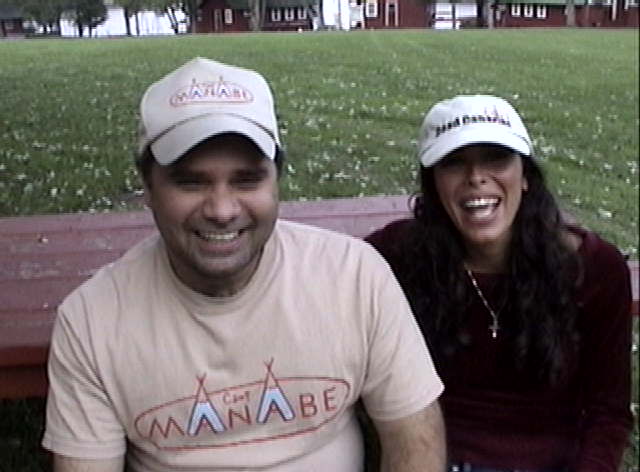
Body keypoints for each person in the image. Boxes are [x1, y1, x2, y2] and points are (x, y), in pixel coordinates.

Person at [41, 57, 446, 471]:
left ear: (277, 180)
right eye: (191, 182)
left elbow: (415, 440)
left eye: (247, 180)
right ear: (147, 187)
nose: (222, 210)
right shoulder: (92, 320)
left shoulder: (354, 277)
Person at [366, 95, 633, 471]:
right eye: (454, 162)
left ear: (525, 177)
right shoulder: (396, 255)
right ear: (433, 183)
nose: (476, 177)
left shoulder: (593, 268)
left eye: (496, 158)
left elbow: (609, 412)